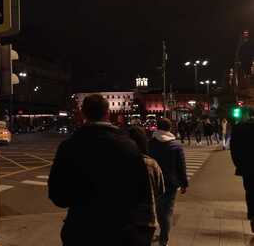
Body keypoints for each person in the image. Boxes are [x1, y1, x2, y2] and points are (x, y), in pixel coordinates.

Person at [48, 94, 149, 245]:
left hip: (81, 229)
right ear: (107, 113)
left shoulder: (69, 147)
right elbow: (141, 191)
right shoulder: (128, 146)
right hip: (119, 229)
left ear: (83, 113)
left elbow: (57, 194)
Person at [148, 118, 188, 246]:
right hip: (171, 183)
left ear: (157, 128)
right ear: (170, 128)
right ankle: (164, 238)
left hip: (154, 181)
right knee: (168, 210)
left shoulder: (150, 143)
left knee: (159, 209)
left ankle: (161, 233)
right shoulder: (175, 145)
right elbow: (181, 166)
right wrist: (184, 183)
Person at [129, 126, 166, 246]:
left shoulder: (118, 163)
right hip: (147, 218)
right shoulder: (151, 164)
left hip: (126, 218)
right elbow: (160, 190)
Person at [230, 110, 254, 233]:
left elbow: (233, 149)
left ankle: (253, 217)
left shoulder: (239, 129)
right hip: (247, 167)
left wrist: (239, 165)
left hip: (247, 167)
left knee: (250, 192)